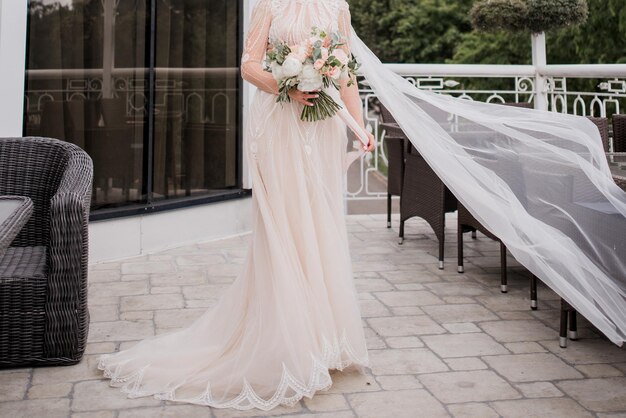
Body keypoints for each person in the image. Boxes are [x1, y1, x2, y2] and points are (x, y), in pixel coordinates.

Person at [99, 0, 374, 410]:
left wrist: (359, 125)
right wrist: (288, 85)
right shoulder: (269, 6)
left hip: (320, 131)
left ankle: (322, 340)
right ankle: (288, 346)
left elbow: (346, 72)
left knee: (317, 227)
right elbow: (248, 65)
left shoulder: (338, 8)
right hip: (278, 127)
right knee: (283, 228)